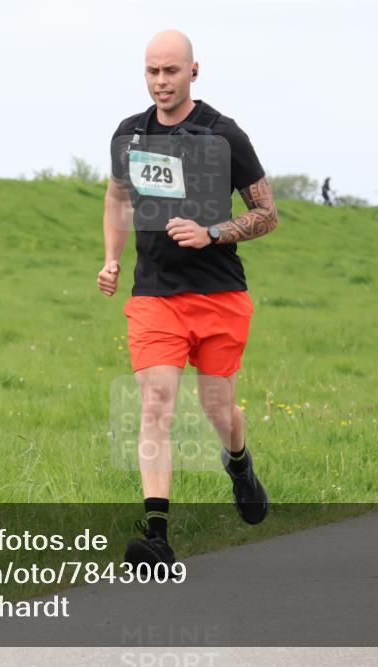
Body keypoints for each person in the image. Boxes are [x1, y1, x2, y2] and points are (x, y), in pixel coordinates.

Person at [99, 29, 277, 569]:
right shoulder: (129, 136)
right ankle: (157, 536)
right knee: (155, 404)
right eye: (152, 71)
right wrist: (111, 257)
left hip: (220, 293)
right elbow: (116, 196)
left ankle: (239, 463)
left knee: (218, 408)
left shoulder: (224, 135)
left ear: (193, 71)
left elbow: (267, 214)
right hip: (155, 294)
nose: (160, 82)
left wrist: (212, 232)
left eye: (170, 71)